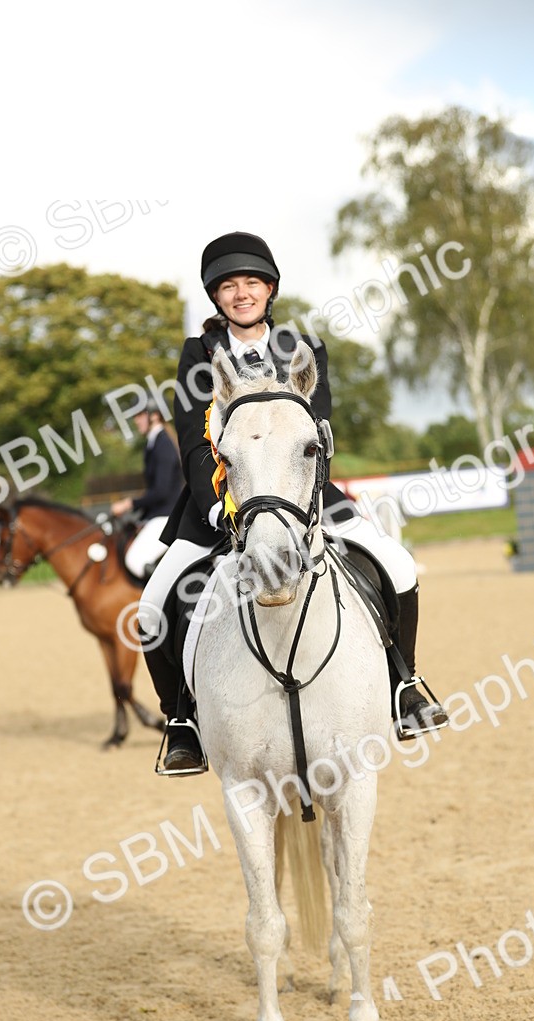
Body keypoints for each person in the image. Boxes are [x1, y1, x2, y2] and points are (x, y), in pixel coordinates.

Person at [140, 231, 447, 772]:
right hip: (220, 502)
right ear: (215, 296)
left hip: (305, 497)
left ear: (270, 289)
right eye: (228, 286)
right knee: (152, 607)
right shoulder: (198, 355)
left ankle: (406, 684)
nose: (241, 294)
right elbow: (193, 441)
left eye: (251, 283)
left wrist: (299, 498)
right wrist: (219, 506)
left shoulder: (302, 349)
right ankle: (181, 720)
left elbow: (318, 430)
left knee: (397, 563)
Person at [110, 405, 183, 579]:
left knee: (135, 560)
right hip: (159, 515)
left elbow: (161, 492)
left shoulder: (163, 444)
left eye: (140, 415)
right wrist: (142, 517)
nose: (136, 421)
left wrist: (129, 504)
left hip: (166, 517)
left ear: (155, 415)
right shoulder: (153, 443)